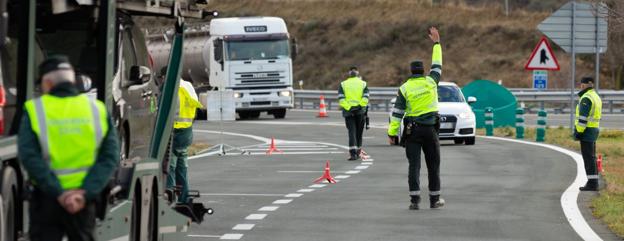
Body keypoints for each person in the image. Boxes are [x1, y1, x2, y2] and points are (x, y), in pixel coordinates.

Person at [18, 55, 119, 241]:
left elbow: (29, 157)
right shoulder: (97, 109)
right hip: (83, 202)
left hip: (47, 200)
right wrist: (84, 193)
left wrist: (59, 193)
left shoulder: (35, 109)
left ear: (47, 83)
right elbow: (110, 157)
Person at [388, 27, 444, 210]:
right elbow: (437, 63)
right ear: (423, 71)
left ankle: (414, 201)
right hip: (430, 130)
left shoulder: (404, 88)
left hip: (412, 131)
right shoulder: (431, 81)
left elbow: (397, 113)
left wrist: (392, 133)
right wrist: (436, 44)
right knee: (433, 166)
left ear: (411, 72)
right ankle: (435, 200)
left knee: (414, 167)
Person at [167, 78, 203, 203]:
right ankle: (185, 199)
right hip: (187, 132)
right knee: (182, 168)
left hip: (174, 132)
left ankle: (169, 199)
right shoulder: (188, 85)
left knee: (169, 167)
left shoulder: (170, 87)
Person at [574, 76, 602, 191]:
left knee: (588, 159)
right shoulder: (595, 96)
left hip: (586, 131)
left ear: (583, 85)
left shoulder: (586, 98)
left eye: (581, 84)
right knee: (591, 157)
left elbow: (582, 118)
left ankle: (592, 184)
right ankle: (594, 182)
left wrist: (578, 132)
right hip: (594, 129)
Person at [338, 66, 369, 160]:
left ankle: (353, 154)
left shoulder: (343, 84)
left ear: (349, 73)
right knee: (359, 133)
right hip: (360, 111)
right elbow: (366, 97)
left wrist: (349, 108)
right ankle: (358, 152)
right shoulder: (363, 84)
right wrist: (359, 106)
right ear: (358, 73)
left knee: (352, 132)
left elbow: (341, 99)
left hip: (348, 112)